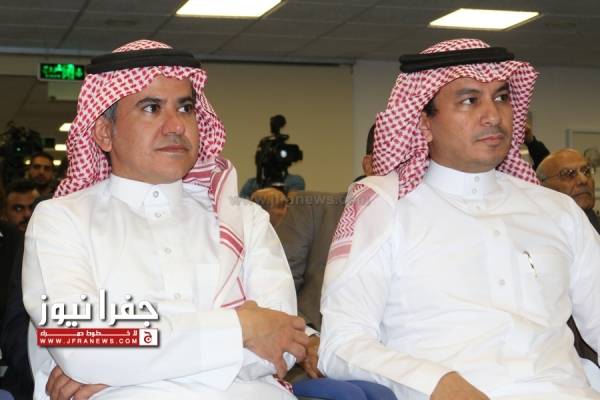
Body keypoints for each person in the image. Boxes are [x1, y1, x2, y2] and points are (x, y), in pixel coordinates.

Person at [22, 39, 308, 400]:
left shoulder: (245, 219)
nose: (176, 126)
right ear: (105, 133)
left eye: (185, 108)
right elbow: (82, 345)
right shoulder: (61, 220)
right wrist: (242, 326)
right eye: (151, 108)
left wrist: (124, 372)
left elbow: (283, 344)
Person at [318, 38, 600, 400]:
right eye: (469, 100)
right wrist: (433, 382)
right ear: (423, 121)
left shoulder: (557, 211)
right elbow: (341, 344)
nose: (493, 115)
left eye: (501, 97)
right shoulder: (384, 209)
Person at [537, 148, 600, 366]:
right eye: (569, 174)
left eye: (586, 171)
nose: (582, 180)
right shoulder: (541, 239)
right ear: (542, 185)